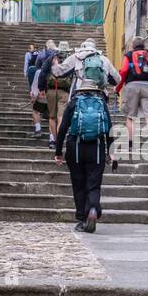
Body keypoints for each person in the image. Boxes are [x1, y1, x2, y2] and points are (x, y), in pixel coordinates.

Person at [55, 79, 114, 233]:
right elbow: (110, 129)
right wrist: (111, 152)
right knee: (94, 184)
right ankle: (93, 209)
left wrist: (58, 152)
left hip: (75, 148)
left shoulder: (73, 103)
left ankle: (82, 219)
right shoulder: (101, 104)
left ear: (79, 90)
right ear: (96, 90)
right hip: (97, 147)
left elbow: (62, 129)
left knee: (78, 184)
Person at [116, 36, 148, 152]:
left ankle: (130, 143)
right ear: (144, 45)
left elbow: (123, 72)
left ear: (132, 46)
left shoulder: (128, 55)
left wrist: (117, 88)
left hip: (132, 86)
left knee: (130, 116)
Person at [32, 40, 73, 149]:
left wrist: (41, 88)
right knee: (61, 117)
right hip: (64, 91)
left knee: (52, 117)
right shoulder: (71, 59)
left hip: (50, 90)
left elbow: (43, 72)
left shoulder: (51, 58)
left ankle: (53, 140)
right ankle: (59, 140)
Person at [54, 39, 121, 95]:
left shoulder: (75, 57)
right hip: (99, 93)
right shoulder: (104, 59)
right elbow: (117, 79)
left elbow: (58, 72)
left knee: (68, 110)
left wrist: (53, 64)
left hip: (79, 92)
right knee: (104, 110)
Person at [24, 42, 47, 137]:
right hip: (52, 95)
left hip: (41, 95)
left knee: (35, 110)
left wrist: (33, 95)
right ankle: (52, 138)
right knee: (53, 116)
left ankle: (38, 130)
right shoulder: (54, 68)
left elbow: (35, 86)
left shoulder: (37, 71)